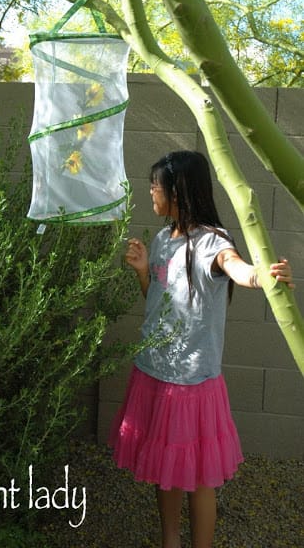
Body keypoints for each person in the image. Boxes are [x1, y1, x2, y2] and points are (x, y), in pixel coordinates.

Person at [108, 151, 294, 548]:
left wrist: (262, 275)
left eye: (156, 186)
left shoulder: (211, 241)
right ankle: (170, 540)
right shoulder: (161, 239)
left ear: (178, 191)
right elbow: (157, 301)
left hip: (190, 382)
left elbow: (235, 268)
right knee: (166, 468)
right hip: (154, 372)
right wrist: (143, 271)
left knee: (198, 478)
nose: (151, 192)